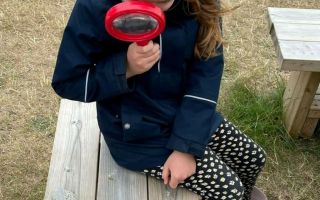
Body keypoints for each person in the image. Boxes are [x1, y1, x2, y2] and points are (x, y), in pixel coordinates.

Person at [51, 0, 267, 199]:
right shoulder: (96, 6)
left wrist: (186, 146)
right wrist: (124, 68)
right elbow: (69, 81)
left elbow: (207, 70)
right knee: (230, 190)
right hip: (136, 133)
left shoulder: (202, 3)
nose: (158, 12)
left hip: (184, 112)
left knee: (253, 158)